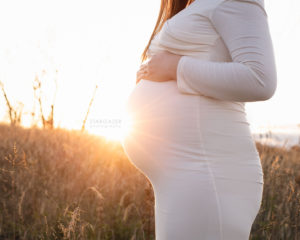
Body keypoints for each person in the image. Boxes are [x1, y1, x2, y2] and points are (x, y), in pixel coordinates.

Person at [122, 0, 277, 239]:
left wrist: (176, 68)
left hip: (209, 173)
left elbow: (260, 80)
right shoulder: (197, 4)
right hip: (184, 178)